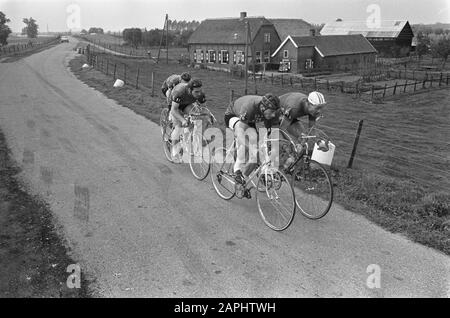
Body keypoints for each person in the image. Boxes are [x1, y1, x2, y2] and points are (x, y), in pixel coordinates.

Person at [224, 93, 281, 186]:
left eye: (275, 112)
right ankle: (237, 168)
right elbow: (240, 134)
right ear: (263, 107)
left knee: (258, 141)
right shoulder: (250, 107)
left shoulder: (270, 112)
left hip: (249, 119)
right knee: (248, 138)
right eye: (271, 111)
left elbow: (273, 131)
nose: (274, 115)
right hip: (233, 115)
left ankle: (244, 179)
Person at [278, 91, 328, 170]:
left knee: (303, 137)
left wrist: (317, 142)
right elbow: (282, 129)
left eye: (320, 108)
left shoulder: (312, 110)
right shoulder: (294, 108)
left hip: (289, 115)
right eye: (317, 108)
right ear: (308, 104)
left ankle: (287, 167)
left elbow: (311, 130)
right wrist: (289, 144)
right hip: (276, 112)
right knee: (280, 140)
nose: (319, 111)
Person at [169, 79, 204, 162]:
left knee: (196, 117)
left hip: (186, 104)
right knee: (178, 127)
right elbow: (174, 110)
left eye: (200, 91)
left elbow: (204, 108)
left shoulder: (200, 93)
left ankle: (187, 139)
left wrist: (208, 116)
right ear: (189, 90)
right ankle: (174, 153)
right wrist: (182, 120)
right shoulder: (179, 92)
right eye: (196, 92)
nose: (199, 94)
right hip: (175, 105)